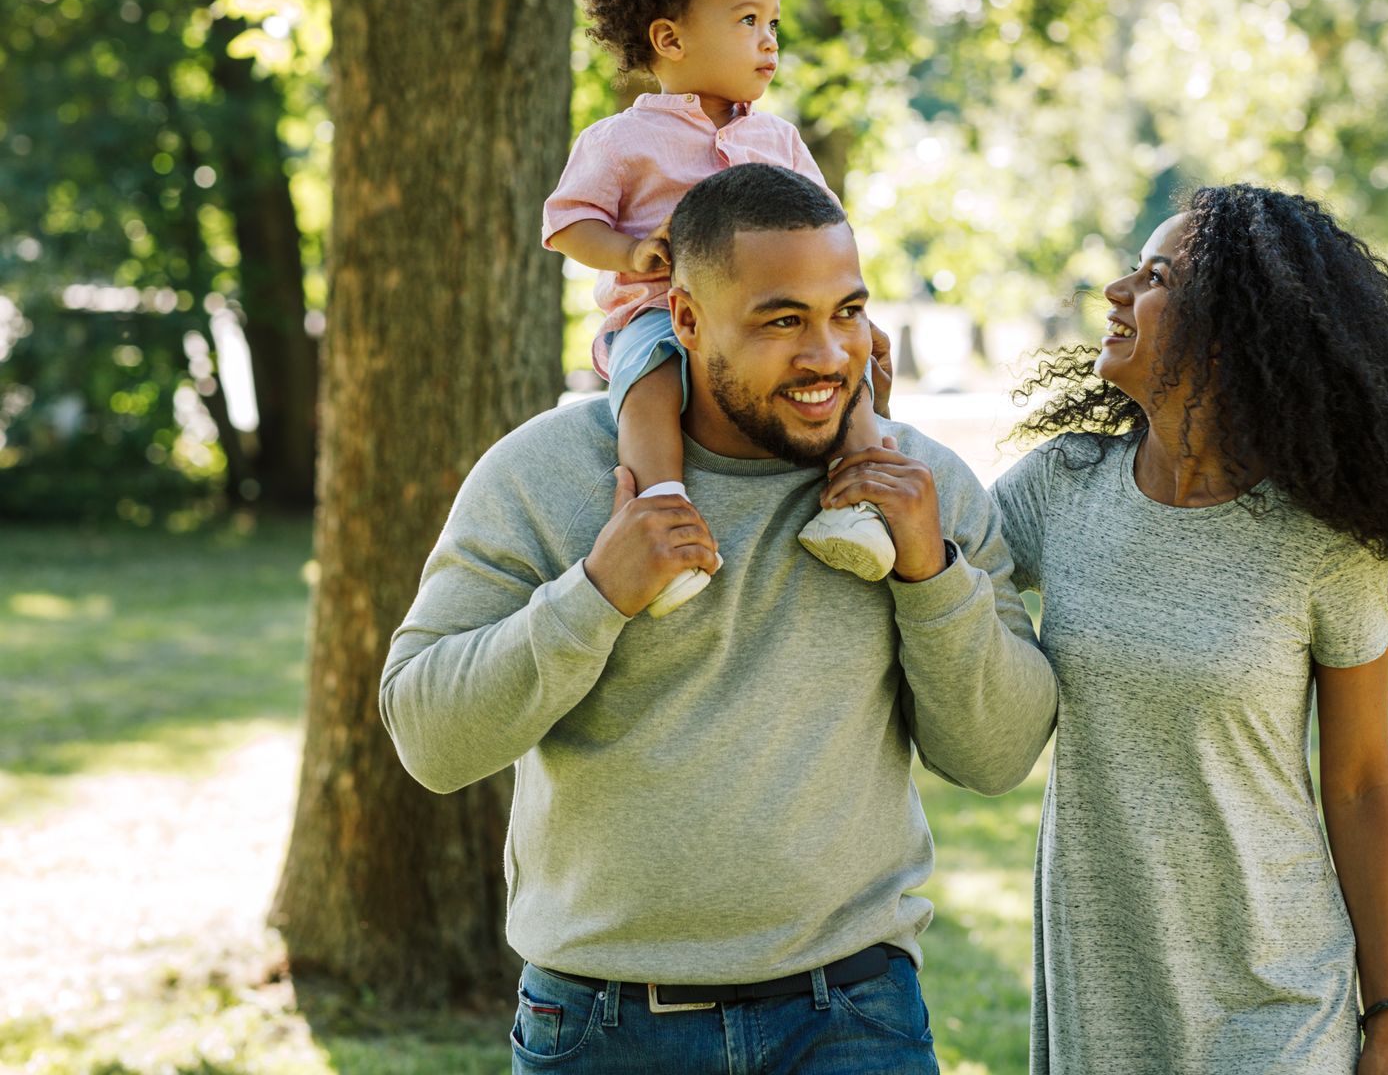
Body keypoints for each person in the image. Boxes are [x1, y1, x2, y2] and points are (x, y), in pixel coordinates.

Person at [383, 163, 1057, 1074]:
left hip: (853, 1019)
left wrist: (930, 573)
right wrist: (596, 593)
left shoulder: (918, 489)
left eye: (847, 312)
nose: (828, 354)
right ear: (687, 321)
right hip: (602, 1028)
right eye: (784, 320)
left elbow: (998, 754)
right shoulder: (546, 473)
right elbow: (429, 736)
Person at [990, 185, 1388, 1074]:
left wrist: (1385, 1022)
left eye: (1154, 276)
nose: (1115, 290)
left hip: (1279, 999)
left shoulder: (1324, 542)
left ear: (1231, 327)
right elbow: (934, 563)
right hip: (1104, 992)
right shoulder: (1060, 488)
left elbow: (1362, 785)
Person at [543, 0, 892, 619]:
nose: (769, 41)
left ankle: (860, 493)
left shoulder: (776, 138)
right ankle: (662, 516)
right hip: (662, 314)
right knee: (650, 381)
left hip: (780, 316)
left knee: (850, 359)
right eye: (747, 20)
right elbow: (569, 223)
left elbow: (825, 222)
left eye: (773, 22)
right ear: (671, 39)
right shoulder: (623, 140)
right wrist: (633, 252)